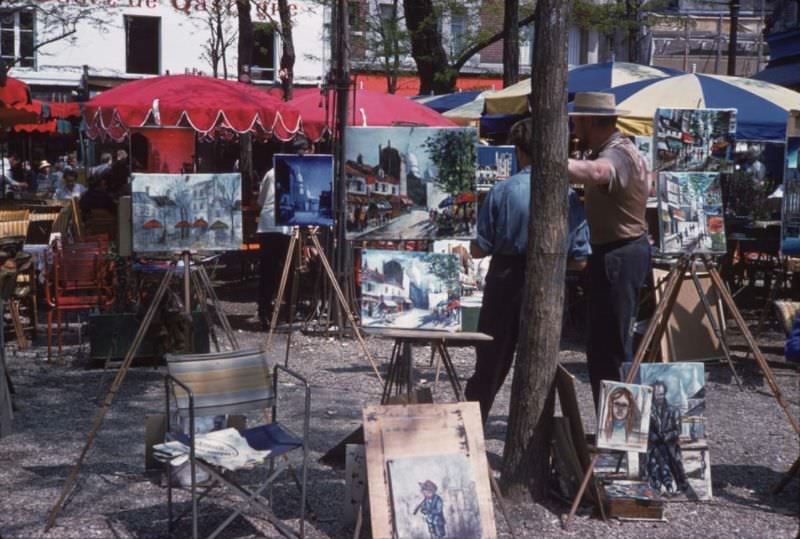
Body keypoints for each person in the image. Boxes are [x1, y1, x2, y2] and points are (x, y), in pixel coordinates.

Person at [465, 118, 591, 422]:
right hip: (549, 278)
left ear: (519, 152)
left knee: (491, 362)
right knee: (541, 362)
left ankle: (473, 426)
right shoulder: (567, 194)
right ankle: (536, 429)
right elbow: (581, 258)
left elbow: (480, 248)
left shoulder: (503, 191)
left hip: (505, 279)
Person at [567, 92, 651, 408]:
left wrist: (550, 160)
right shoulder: (620, 149)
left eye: (577, 121)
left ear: (590, 121)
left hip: (620, 253)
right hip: (617, 252)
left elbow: (598, 172)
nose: (573, 128)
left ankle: (623, 430)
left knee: (611, 347)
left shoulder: (617, 154)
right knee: (604, 345)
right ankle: (615, 427)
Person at [255, 136, 310, 329]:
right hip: (284, 227)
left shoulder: (271, 172)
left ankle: (265, 313)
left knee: (268, 271)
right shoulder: (298, 173)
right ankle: (288, 312)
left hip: (268, 225)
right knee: (289, 270)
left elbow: (261, 201)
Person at [646, 380, 688, 494]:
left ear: (665, 394)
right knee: (654, 458)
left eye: (660, 394)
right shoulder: (648, 411)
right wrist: (653, 436)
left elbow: (678, 430)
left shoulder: (673, 410)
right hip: (656, 444)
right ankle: (660, 485)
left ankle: (678, 485)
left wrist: (666, 436)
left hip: (670, 444)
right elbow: (646, 430)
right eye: (655, 394)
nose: (658, 397)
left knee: (673, 458)